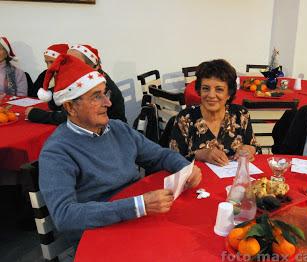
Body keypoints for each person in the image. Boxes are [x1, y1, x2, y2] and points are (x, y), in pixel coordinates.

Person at [38, 54, 202, 249]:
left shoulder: (118, 129)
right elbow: (65, 216)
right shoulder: (57, 152)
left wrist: (185, 168)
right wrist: (138, 206)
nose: (108, 103)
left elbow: (159, 155)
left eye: (104, 94)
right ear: (70, 107)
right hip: (99, 235)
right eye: (96, 97)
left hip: (136, 218)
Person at [169, 59, 259, 166]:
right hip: (196, 181)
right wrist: (200, 155)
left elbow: (255, 147)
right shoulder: (185, 118)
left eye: (219, 89)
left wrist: (250, 149)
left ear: (229, 94)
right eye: (206, 88)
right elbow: (172, 159)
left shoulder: (241, 114)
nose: (211, 95)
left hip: (234, 181)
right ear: (199, 90)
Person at [29, 44, 127, 124]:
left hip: (110, 135)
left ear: (92, 66)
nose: (67, 65)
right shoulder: (84, 79)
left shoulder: (97, 85)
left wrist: (36, 114)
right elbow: (57, 104)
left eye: (74, 62)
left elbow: (71, 116)